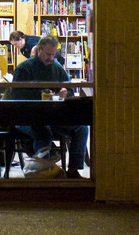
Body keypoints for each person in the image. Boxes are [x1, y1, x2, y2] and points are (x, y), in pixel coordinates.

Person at [9, 35, 88, 178]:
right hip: (27, 117)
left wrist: (66, 93)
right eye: (47, 54)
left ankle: (73, 170)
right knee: (43, 131)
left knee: (81, 128)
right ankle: (42, 172)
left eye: (53, 54)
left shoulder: (57, 68)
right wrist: (41, 94)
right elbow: (16, 96)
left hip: (52, 116)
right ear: (39, 49)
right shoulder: (24, 68)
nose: (50, 58)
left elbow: (69, 89)